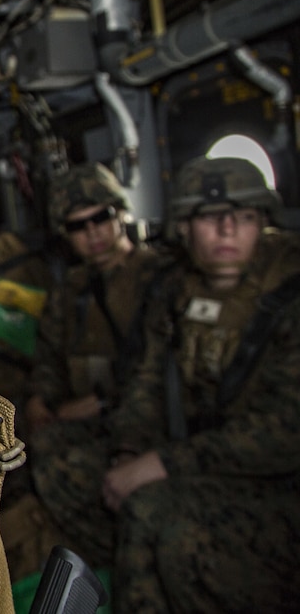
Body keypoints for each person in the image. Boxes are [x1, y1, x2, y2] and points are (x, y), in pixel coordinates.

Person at [31, 156, 300, 612]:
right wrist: (129, 451)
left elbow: (286, 430)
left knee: (153, 513)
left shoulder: (287, 295)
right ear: (185, 228)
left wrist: (165, 462)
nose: (228, 229)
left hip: (275, 477)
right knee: (88, 478)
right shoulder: (175, 292)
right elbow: (146, 384)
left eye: (245, 217)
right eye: (210, 218)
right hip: (203, 457)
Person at [25, 162, 164, 433]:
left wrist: (102, 401)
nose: (92, 232)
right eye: (78, 226)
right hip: (83, 415)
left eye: (101, 218)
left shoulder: (158, 277)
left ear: (120, 214)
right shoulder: (68, 288)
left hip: (140, 413)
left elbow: (161, 368)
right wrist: (39, 399)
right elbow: (49, 356)